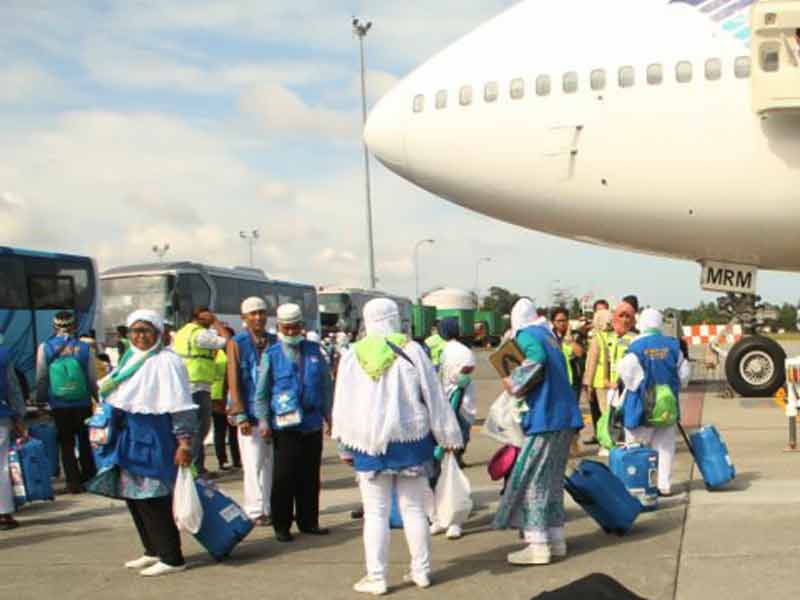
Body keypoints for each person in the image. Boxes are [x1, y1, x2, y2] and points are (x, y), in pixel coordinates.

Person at [333, 298, 463, 594]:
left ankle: (376, 577)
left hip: (368, 443)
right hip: (411, 441)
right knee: (415, 509)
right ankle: (422, 571)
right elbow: (433, 395)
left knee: (375, 513)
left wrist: (343, 445)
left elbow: (343, 402)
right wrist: (447, 435)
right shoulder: (413, 350)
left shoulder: (353, 355)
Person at [87, 310, 197, 577]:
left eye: (146, 330)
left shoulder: (167, 362)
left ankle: (172, 557)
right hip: (128, 436)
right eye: (135, 331)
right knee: (133, 495)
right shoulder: (130, 358)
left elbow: (180, 407)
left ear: (159, 333)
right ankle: (152, 550)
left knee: (153, 496)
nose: (140, 336)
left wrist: (184, 443)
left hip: (154, 436)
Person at [494, 298, 583, 566]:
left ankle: (538, 545)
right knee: (552, 481)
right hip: (564, 417)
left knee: (531, 479)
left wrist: (514, 382)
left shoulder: (526, 335)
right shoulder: (548, 335)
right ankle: (556, 539)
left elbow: (537, 359)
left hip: (545, 417)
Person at [255, 304, 333, 542]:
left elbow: (326, 386)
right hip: (284, 426)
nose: (291, 332)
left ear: (302, 326)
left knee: (309, 476)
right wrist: (263, 421)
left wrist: (330, 416)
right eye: (286, 328)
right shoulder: (272, 355)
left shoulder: (314, 351)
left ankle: (309, 521)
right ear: (279, 327)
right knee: (284, 477)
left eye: (295, 327)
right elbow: (262, 393)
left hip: (310, 423)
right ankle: (282, 525)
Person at [618, 309, 690, 497]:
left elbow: (627, 374)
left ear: (641, 323)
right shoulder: (674, 346)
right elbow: (684, 375)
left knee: (636, 447)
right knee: (665, 446)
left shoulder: (635, 346)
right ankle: (664, 484)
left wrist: (641, 386)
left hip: (641, 406)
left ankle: (640, 485)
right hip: (667, 406)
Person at [35, 311, 97, 493]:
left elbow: (42, 377)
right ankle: (90, 477)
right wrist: (97, 398)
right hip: (83, 403)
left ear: (54, 327)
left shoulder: (45, 348)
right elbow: (92, 378)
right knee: (85, 441)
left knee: (66, 443)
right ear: (74, 326)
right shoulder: (85, 348)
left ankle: (73, 482)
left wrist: (40, 401)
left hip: (59, 404)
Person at [227, 297, 276, 526]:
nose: (258, 317)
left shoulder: (274, 341)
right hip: (249, 414)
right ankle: (255, 510)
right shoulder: (237, 343)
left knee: (269, 464)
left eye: (262, 313)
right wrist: (240, 414)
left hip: (273, 415)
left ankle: (268, 506)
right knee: (253, 462)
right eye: (253, 314)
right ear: (244, 318)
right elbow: (234, 381)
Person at [429, 318, 476, 540]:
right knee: (444, 467)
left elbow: (462, 381)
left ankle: (454, 518)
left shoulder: (457, 351)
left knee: (450, 466)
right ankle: (442, 516)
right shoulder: (452, 350)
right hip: (448, 411)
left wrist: (451, 412)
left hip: (455, 411)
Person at [173, 307, 231, 476]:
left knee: (192, 428)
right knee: (200, 428)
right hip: (198, 385)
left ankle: (197, 466)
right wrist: (216, 323)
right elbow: (227, 340)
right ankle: (196, 468)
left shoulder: (182, 332)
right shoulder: (200, 334)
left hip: (186, 385)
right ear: (199, 317)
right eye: (208, 315)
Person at [437, 317, 477, 467]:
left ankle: (452, 457)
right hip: (460, 394)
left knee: (453, 427)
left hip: (448, 392)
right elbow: (466, 372)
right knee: (462, 426)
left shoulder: (446, 349)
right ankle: (456, 457)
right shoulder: (463, 350)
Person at [0, 335, 27, 530]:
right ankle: (3, 514)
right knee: (1, 466)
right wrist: (19, 416)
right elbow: (12, 388)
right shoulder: (3, 355)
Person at [581, 308, 612, 446]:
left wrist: (588, 384)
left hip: (599, 382)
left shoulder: (597, 338)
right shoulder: (614, 336)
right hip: (612, 381)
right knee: (611, 413)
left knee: (604, 415)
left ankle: (606, 442)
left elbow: (591, 364)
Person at [211, 328, 240, 471]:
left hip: (229, 396)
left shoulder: (232, 353)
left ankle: (236, 460)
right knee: (221, 431)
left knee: (233, 430)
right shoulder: (217, 353)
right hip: (218, 397)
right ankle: (223, 460)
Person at [550, 307, 584, 399]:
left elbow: (580, 353)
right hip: (555, 380)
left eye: (564, 320)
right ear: (553, 322)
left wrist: (571, 341)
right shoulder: (549, 337)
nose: (562, 323)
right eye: (559, 321)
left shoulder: (576, 335)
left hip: (573, 380)